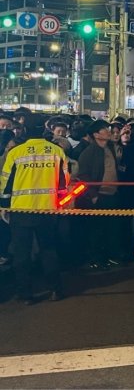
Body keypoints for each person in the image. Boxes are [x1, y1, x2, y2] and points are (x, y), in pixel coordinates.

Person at [1, 119, 69, 303]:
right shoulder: (56, 151)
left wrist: (4, 207)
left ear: (23, 133)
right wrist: (61, 204)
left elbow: (5, 183)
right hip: (47, 209)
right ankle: (55, 289)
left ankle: (25, 295)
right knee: (48, 250)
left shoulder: (16, 153)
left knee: (21, 253)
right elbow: (64, 183)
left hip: (20, 210)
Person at [75, 120, 121, 270]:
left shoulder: (110, 148)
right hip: (98, 195)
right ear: (96, 135)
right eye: (105, 130)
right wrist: (93, 195)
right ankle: (95, 258)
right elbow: (83, 175)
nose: (109, 132)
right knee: (96, 229)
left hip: (112, 193)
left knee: (109, 228)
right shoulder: (89, 152)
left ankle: (106, 256)